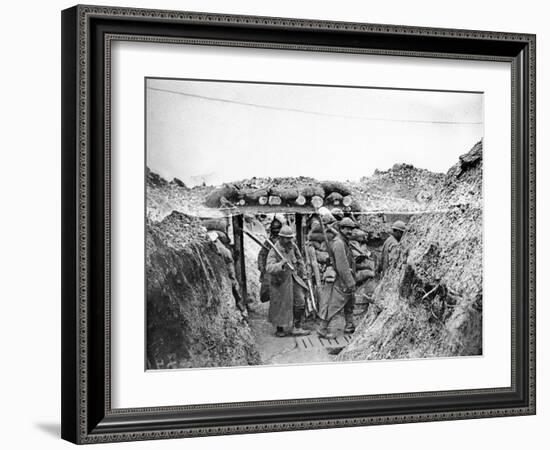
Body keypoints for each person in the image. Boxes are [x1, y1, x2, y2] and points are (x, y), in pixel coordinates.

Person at [266, 225, 311, 337]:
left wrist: (304, 274)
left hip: (293, 278)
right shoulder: (274, 250)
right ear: (280, 238)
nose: (289, 240)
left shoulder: (293, 246)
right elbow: (269, 267)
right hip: (280, 282)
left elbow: (299, 260)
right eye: (286, 238)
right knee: (280, 305)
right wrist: (280, 264)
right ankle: (280, 328)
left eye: (290, 238)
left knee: (300, 301)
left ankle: (297, 327)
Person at [317, 217, 357, 337]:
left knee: (350, 302)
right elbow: (342, 266)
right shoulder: (339, 243)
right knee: (335, 305)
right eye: (346, 229)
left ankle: (349, 326)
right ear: (341, 229)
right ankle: (330, 331)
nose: (349, 231)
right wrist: (350, 282)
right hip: (341, 279)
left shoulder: (344, 241)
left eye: (351, 229)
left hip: (345, 277)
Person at [257, 218, 282, 303]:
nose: (276, 233)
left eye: (277, 231)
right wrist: (261, 267)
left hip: (281, 268)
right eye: (274, 231)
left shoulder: (284, 242)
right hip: (270, 268)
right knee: (267, 287)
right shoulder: (268, 242)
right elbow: (262, 254)